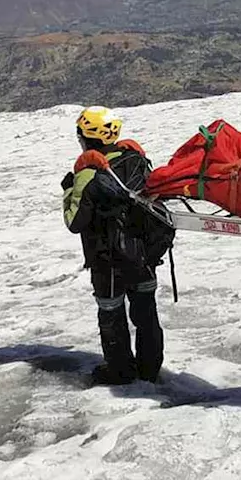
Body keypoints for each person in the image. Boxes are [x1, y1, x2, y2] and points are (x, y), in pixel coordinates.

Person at [61, 106, 175, 386]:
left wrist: (67, 190)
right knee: (145, 311)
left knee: (112, 313)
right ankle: (150, 369)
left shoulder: (88, 174)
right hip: (144, 255)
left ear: (86, 137)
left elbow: (74, 221)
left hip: (108, 259)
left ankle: (120, 372)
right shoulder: (137, 160)